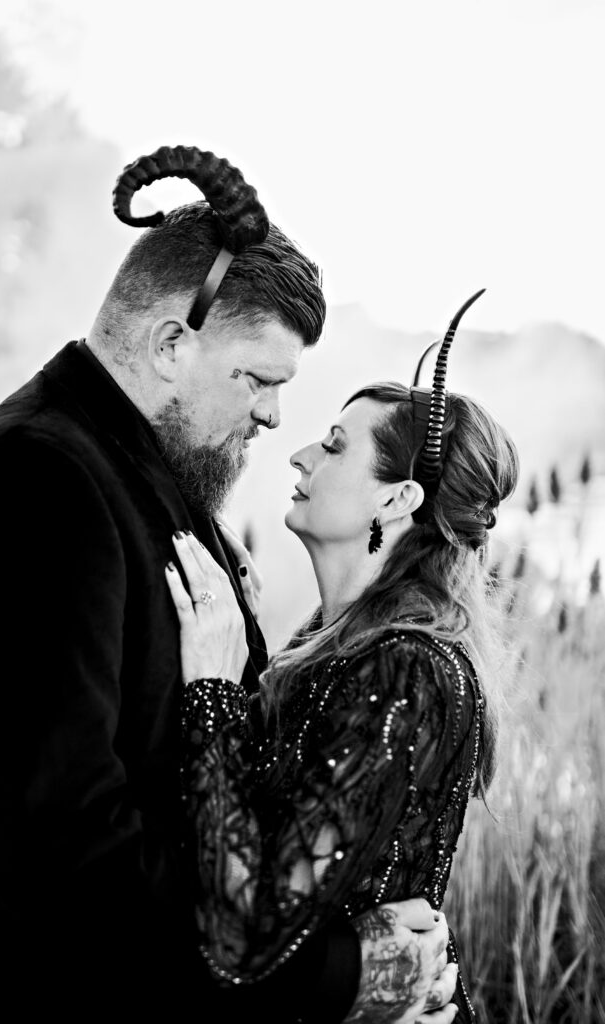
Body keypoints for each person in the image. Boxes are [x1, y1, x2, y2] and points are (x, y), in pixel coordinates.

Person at [0, 145, 457, 1022]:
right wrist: (337, 979)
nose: (274, 416)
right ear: (172, 343)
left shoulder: (149, 473)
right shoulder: (32, 486)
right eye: (257, 379)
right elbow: (72, 861)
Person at [164, 290, 520, 1023]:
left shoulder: (408, 671)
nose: (298, 453)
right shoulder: (332, 645)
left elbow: (245, 934)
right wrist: (244, 655)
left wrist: (208, 693)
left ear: (396, 500)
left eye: (332, 445)